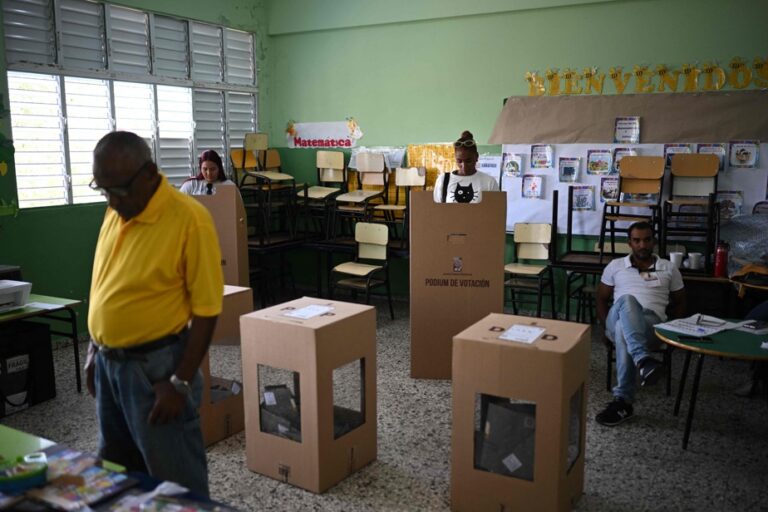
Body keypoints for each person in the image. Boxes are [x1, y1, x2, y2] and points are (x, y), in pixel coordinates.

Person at [85, 131, 223, 495]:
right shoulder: (120, 206)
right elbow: (105, 280)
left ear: (149, 173)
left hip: (156, 371)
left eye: (118, 191)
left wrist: (179, 382)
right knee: (116, 472)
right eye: (103, 190)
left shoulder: (188, 219)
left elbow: (208, 310)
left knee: (176, 484)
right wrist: (94, 348)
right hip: (109, 367)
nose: (112, 201)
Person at [595, 221, 686, 427]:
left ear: (653, 242)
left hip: (652, 326)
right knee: (627, 301)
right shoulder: (615, 266)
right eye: (637, 240)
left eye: (646, 240)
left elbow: (681, 302)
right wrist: (603, 327)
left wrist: (672, 331)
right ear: (629, 243)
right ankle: (643, 360)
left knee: (622, 328)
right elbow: (600, 299)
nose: (642, 245)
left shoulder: (668, 267)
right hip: (618, 315)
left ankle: (623, 402)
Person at [433, 130, 498, 203]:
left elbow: (495, 211)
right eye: (459, 161)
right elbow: (437, 211)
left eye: (468, 161)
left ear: (476, 157)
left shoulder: (489, 182)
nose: (464, 166)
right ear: (455, 158)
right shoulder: (443, 180)